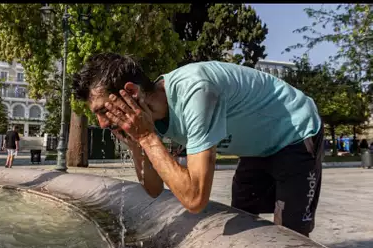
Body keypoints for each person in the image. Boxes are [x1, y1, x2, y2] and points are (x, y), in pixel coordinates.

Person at [72, 53, 323, 237]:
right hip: (255, 147)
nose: (102, 123)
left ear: (131, 91)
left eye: (103, 110)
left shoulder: (196, 92)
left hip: (295, 133)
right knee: (241, 221)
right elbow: (154, 188)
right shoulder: (150, 117)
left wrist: (147, 138)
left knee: (292, 236)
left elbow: (195, 198)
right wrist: (139, 143)